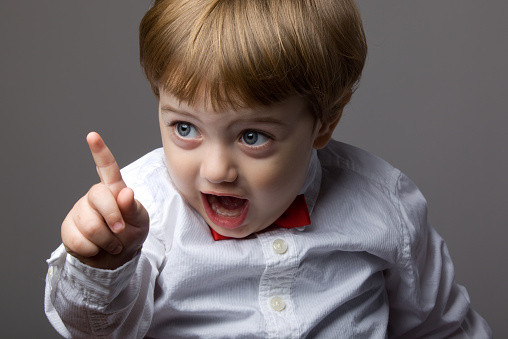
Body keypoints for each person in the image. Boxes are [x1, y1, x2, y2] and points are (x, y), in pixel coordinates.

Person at [45, 0, 492, 338]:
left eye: (252, 136)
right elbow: (93, 330)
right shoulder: (141, 212)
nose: (217, 170)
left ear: (324, 123)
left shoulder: (383, 203)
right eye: (185, 127)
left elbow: (447, 327)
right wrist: (103, 266)